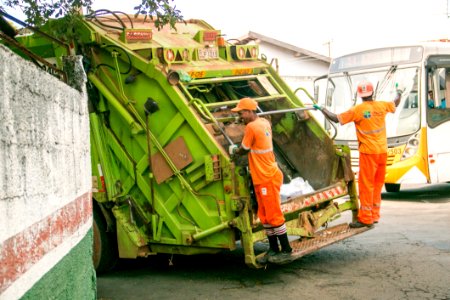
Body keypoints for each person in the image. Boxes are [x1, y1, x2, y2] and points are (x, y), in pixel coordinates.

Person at [314, 80, 400, 228]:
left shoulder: (358, 110)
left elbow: (336, 118)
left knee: (366, 186)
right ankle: (374, 215)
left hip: (368, 153)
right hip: (382, 152)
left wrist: (321, 108)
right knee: (377, 184)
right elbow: (395, 103)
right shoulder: (382, 106)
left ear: (359, 95)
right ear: (372, 93)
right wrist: (399, 92)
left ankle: (366, 219)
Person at [229, 97, 292, 264]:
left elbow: (244, 149)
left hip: (266, 177)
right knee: (265, 216)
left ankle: (286, 250)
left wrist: (235, 152)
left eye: (241, 112)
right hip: (264, 176)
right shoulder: (263, 122)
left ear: (250, 112)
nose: (240, 116)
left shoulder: (251, 127)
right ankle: (273, 249)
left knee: (274, 215)